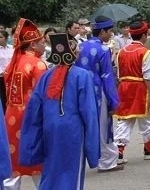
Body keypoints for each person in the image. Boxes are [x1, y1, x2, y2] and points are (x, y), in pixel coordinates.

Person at [19, 34, 100, 189]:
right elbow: (89, 111)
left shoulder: (46, 76)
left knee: (52, 168)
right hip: (73, 130)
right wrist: (92, 147)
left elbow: (34, 110)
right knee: (72, 171)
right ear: (73, 53)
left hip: (50, 129)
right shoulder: (82, 75)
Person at [75, 16, 123, 173]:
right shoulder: (103, 50)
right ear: (102, 31)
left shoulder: (79, 47)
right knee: (103, 126)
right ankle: (106, 161)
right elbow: (107, 77)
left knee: (85, 124)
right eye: (109, 31)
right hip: (97, 92)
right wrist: (113, 101)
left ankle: (84, 159)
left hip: (80, 90)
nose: (111, 34)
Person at [3, 18, 47, 187]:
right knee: (39, 162)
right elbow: (43, 95)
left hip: (11, 117)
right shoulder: (37, 64)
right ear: (32, 45)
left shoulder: (14, 63)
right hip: (31, 118)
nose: (44, 45)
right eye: (42, 42)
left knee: (13, 164)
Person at [114, 21, 150, 164]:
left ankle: (119, 153)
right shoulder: (144, 52)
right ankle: (148, 151)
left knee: (124, 120)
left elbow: (118, 73)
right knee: (148, 120)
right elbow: (148, 76)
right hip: (139, 89)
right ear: (144, 35)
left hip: (124, 88)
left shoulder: (122, 51)